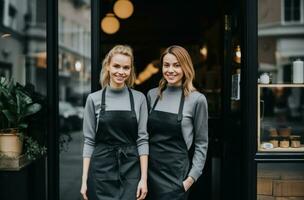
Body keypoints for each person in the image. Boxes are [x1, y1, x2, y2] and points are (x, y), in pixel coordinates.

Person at [80, 45, 148, 200]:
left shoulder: (139, 99)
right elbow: (89, 141)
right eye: (116, 66)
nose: (121, 72)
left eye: (126, 67)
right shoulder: (93, 99)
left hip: (131, 168)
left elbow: (142, 140)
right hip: (101, 169)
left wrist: (143, 179)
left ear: (131, 70)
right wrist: (84, 180)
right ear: (108, 67)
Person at [147, 45, 208, 199]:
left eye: (177, 65)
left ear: (185, 67)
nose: (170, 70)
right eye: (166, 65)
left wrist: (191, 178)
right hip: (149, 174)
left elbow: (202, 143)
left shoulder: (197, 99)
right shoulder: (152, 95)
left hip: (176, 177)